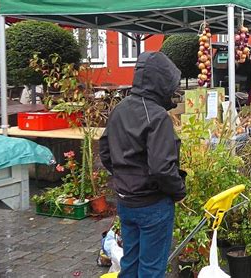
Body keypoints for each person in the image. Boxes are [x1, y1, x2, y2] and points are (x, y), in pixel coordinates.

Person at [99, 52, 186, 278]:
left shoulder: (120, 108)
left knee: (131, 263)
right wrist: (179, 191)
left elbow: (106, 152)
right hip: (152, 204)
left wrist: (124, 178)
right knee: (151, 269)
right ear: (162, 83)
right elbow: (162, 168)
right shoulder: (157, 117)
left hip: (126, 201)